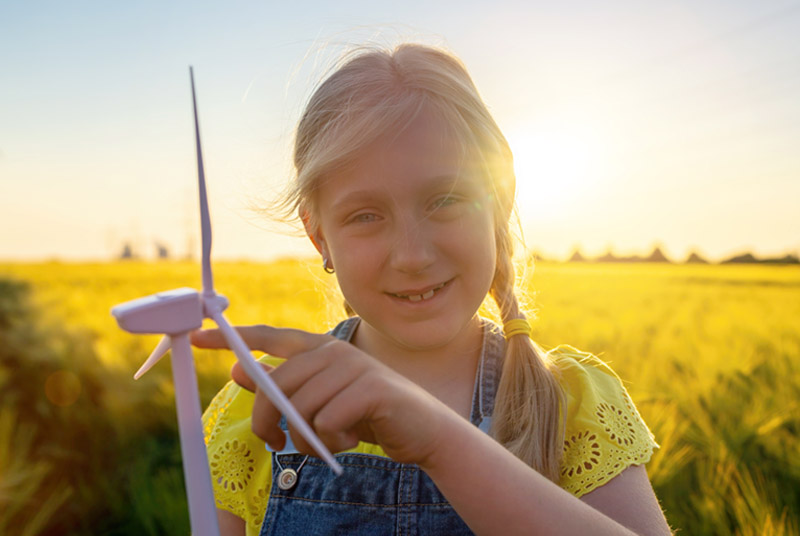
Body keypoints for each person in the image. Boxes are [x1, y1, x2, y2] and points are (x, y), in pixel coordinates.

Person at [192, 43, 672, 536]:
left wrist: (440, 443)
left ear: (499, 205)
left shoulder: (567, 402)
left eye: (445, 200)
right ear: (320, 237)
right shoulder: (260, 407)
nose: (412, 255)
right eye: (365, 216)